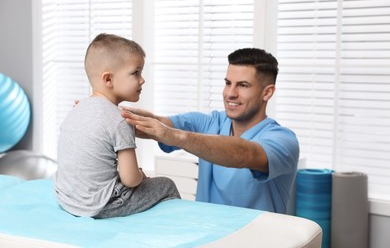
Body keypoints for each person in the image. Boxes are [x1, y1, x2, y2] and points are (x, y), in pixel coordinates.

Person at [122, 48, 299, 214]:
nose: (230, 93)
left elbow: (245, 153)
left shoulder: (283, 141)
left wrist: (175, 136)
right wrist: (109, 109)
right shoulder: (211, 123)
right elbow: (156, 123)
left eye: (243, 85)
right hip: (208, 236)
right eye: (228, 83)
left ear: (267, 93)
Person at [54, 33, 181, 219]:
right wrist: (140, 175)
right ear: (108, 79)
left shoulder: (77, 108)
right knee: (166, 185)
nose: (142, 79)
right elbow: (130, 180)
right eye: (135, 72)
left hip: (67, 199)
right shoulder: (119, 120)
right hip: (101, 205)